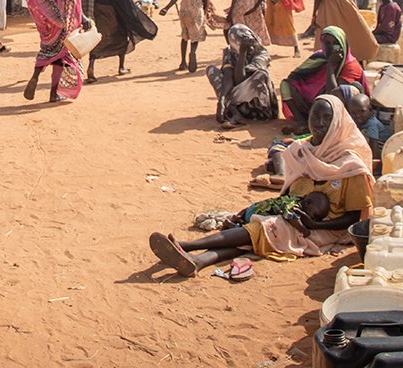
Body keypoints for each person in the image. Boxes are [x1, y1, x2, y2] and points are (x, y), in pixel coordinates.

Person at [148, 95, 373, 276]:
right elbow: (287, 195)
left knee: (262, 228)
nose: (320, 124)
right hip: (294, 217)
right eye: (316, 116)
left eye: (327, 118)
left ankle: (188, 246)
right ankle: (199, 261)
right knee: (261, 226)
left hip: (327, 229)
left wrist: (312, 222)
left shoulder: (349, 164)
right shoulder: (301, 151)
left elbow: (354, 218)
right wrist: (251, 210)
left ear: (337, 123)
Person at [280, 26, 369, 134]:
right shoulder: (319, 57)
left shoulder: (351, 66)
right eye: (327, 43)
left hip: (339, 108)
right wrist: (296, 94)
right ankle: (302, 122)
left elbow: (334, 95)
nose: (331, 47)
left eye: (335, 43)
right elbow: (293, 76)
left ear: (343, 44)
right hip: (315, 101)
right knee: (286, 85)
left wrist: (331, 66)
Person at [207, 24, 278, 128]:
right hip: (238, 100)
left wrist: (242, 53)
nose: (249, 42)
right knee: (211, 70)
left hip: (257, 108)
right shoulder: (229, 51)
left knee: (260, 75)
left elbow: (241, 80)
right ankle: (233, 111)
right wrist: (221, 100)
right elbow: (228, 77)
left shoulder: (262, 53)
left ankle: (232, 109)